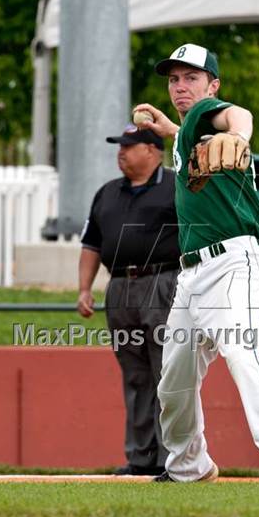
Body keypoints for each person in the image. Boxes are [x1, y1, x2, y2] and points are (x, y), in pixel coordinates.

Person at [134, 43, 259, 484]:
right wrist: (172, 129)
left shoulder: (212, 113)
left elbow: (239, 116)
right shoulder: (191, 127)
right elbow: (198, 133)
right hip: (192, 274)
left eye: (191, 77)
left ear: (212, 84)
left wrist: (238, 136)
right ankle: (189, 467)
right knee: (173, 378)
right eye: (173, 79)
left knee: (239, 349)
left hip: (234, 262)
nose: (180, 86)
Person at [78, 125, 180, 476]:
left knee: (167, 371)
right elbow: (91, 243)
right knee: (136, 375)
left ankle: (173, 459)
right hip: (120, 287)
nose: (120, 152)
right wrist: (84, 288)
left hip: (164, 282)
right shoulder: (107, 193)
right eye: (119, 146)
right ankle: (140, 458)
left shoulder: (177, 186)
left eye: (129, 146)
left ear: (152, 151)